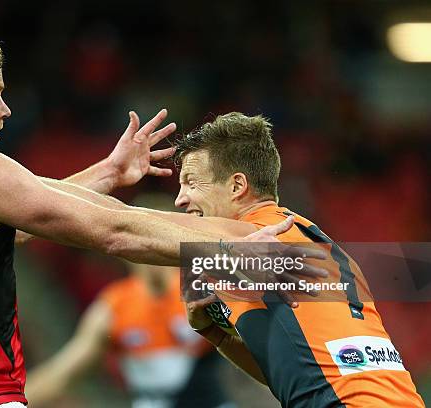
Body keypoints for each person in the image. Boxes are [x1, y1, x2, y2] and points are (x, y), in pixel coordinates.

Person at [0, 31, 322, 408]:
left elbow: (15, 222)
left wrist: (109, 172)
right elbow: (114, 231)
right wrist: (225, 249)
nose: (5, 109)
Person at [170, 113, 425, 407]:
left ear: (237, 186)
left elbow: (124, 233)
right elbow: (289, 372)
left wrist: (103, 192)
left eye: (191, 183)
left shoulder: (251, 241)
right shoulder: (326, 248)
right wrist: (216, 334)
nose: (180, 199)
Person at [25, 195, 235, 408]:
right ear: (128, 245)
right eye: (147, 237)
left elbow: (257, 338)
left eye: (163, 238)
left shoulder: (202, 288)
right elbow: (63, 373)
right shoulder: (115, 306)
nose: (154, 248)